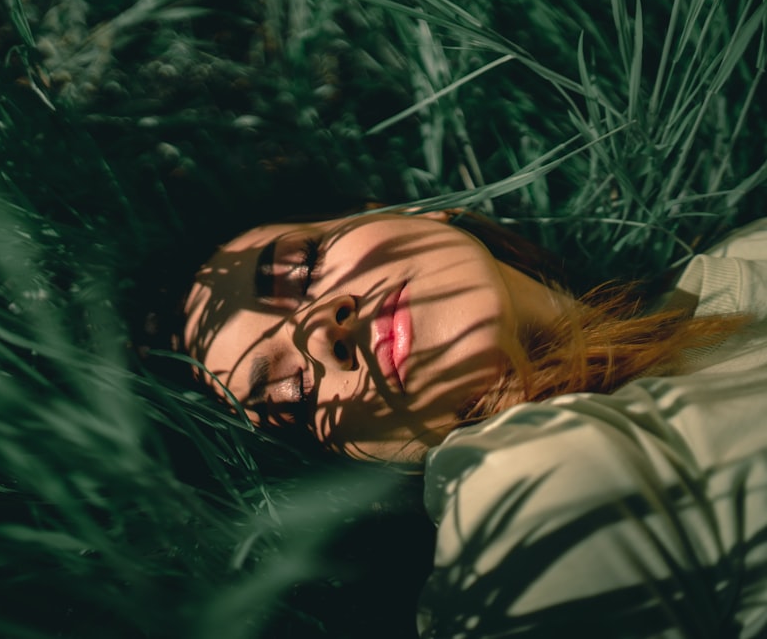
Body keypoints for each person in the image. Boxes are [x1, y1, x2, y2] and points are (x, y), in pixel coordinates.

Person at [180, 208, 767, 637]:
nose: (317, 331)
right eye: (294, 392)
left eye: (302, 268)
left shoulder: (743, 257)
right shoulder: (528, 502)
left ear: (420, 214)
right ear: (349, 464)